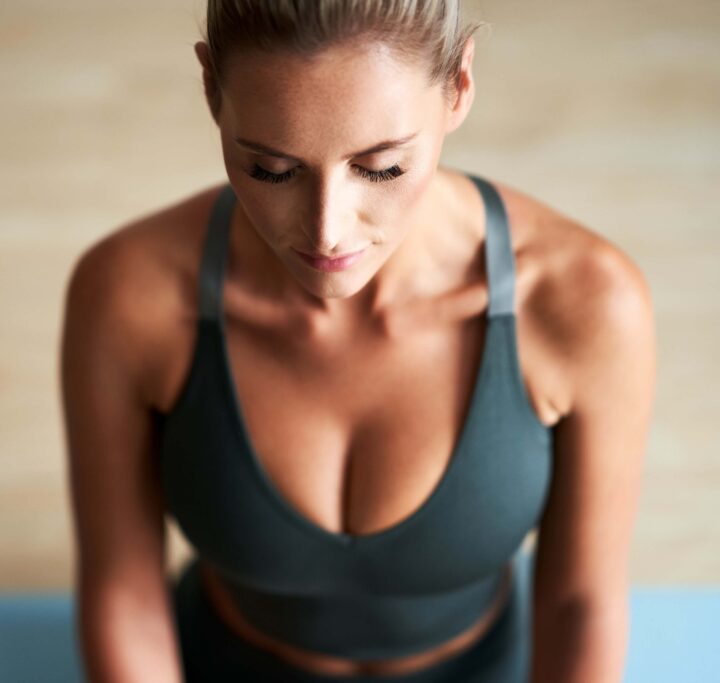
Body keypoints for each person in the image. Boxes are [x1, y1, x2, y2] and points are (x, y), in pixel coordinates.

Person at [59, 1, 656, 681]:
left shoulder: (586, 302)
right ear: (210, 89)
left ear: (458, 87)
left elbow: (582, 601)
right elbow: (124, 594)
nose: (326, 232)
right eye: (273, 170)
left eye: (380, 168)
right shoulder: (127, 295)